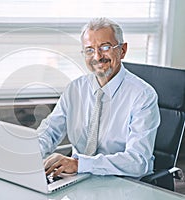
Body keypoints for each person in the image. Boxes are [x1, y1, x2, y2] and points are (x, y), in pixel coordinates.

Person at [36, 17, 160, 178]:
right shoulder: (75, 89)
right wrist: (29, 154)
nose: (97, 56)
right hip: (79, 179)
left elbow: (138, 161)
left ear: (122, 50)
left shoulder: (143, 96)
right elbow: (50, 131)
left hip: (124, 183)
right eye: (89, 50)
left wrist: (79, 164)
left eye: (105, 47)